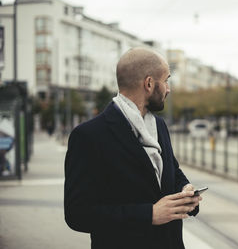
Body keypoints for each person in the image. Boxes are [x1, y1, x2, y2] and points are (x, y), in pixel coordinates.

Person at [64, 47, 202, 249]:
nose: (168, 88)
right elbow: (78, 214)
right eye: (166, 80)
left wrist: (185, 190)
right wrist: (149, 214)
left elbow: (173, 171)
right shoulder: (88, 136)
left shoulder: (159, 126)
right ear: (149, 83)